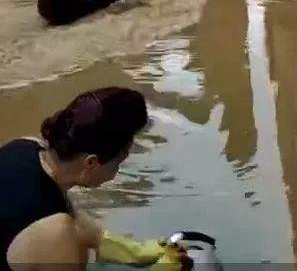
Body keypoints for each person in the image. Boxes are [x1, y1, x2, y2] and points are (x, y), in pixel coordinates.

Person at [0, 87, 190, 271]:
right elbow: (56, 225)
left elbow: (69, 217)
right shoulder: (56, 232)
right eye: (118, 163)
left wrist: (133, 251)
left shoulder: (27, 147)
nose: (117, 171)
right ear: (91, 162)